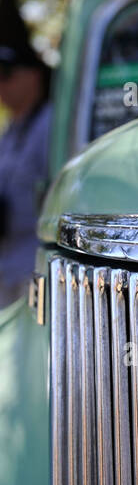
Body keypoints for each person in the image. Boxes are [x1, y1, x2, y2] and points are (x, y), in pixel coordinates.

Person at [0, 38, 53, 308]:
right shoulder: (9, 131)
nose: (1, 84)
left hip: (35, 265)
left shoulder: (51, 125)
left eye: (7, 74)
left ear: (33, 75)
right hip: (7, 265)